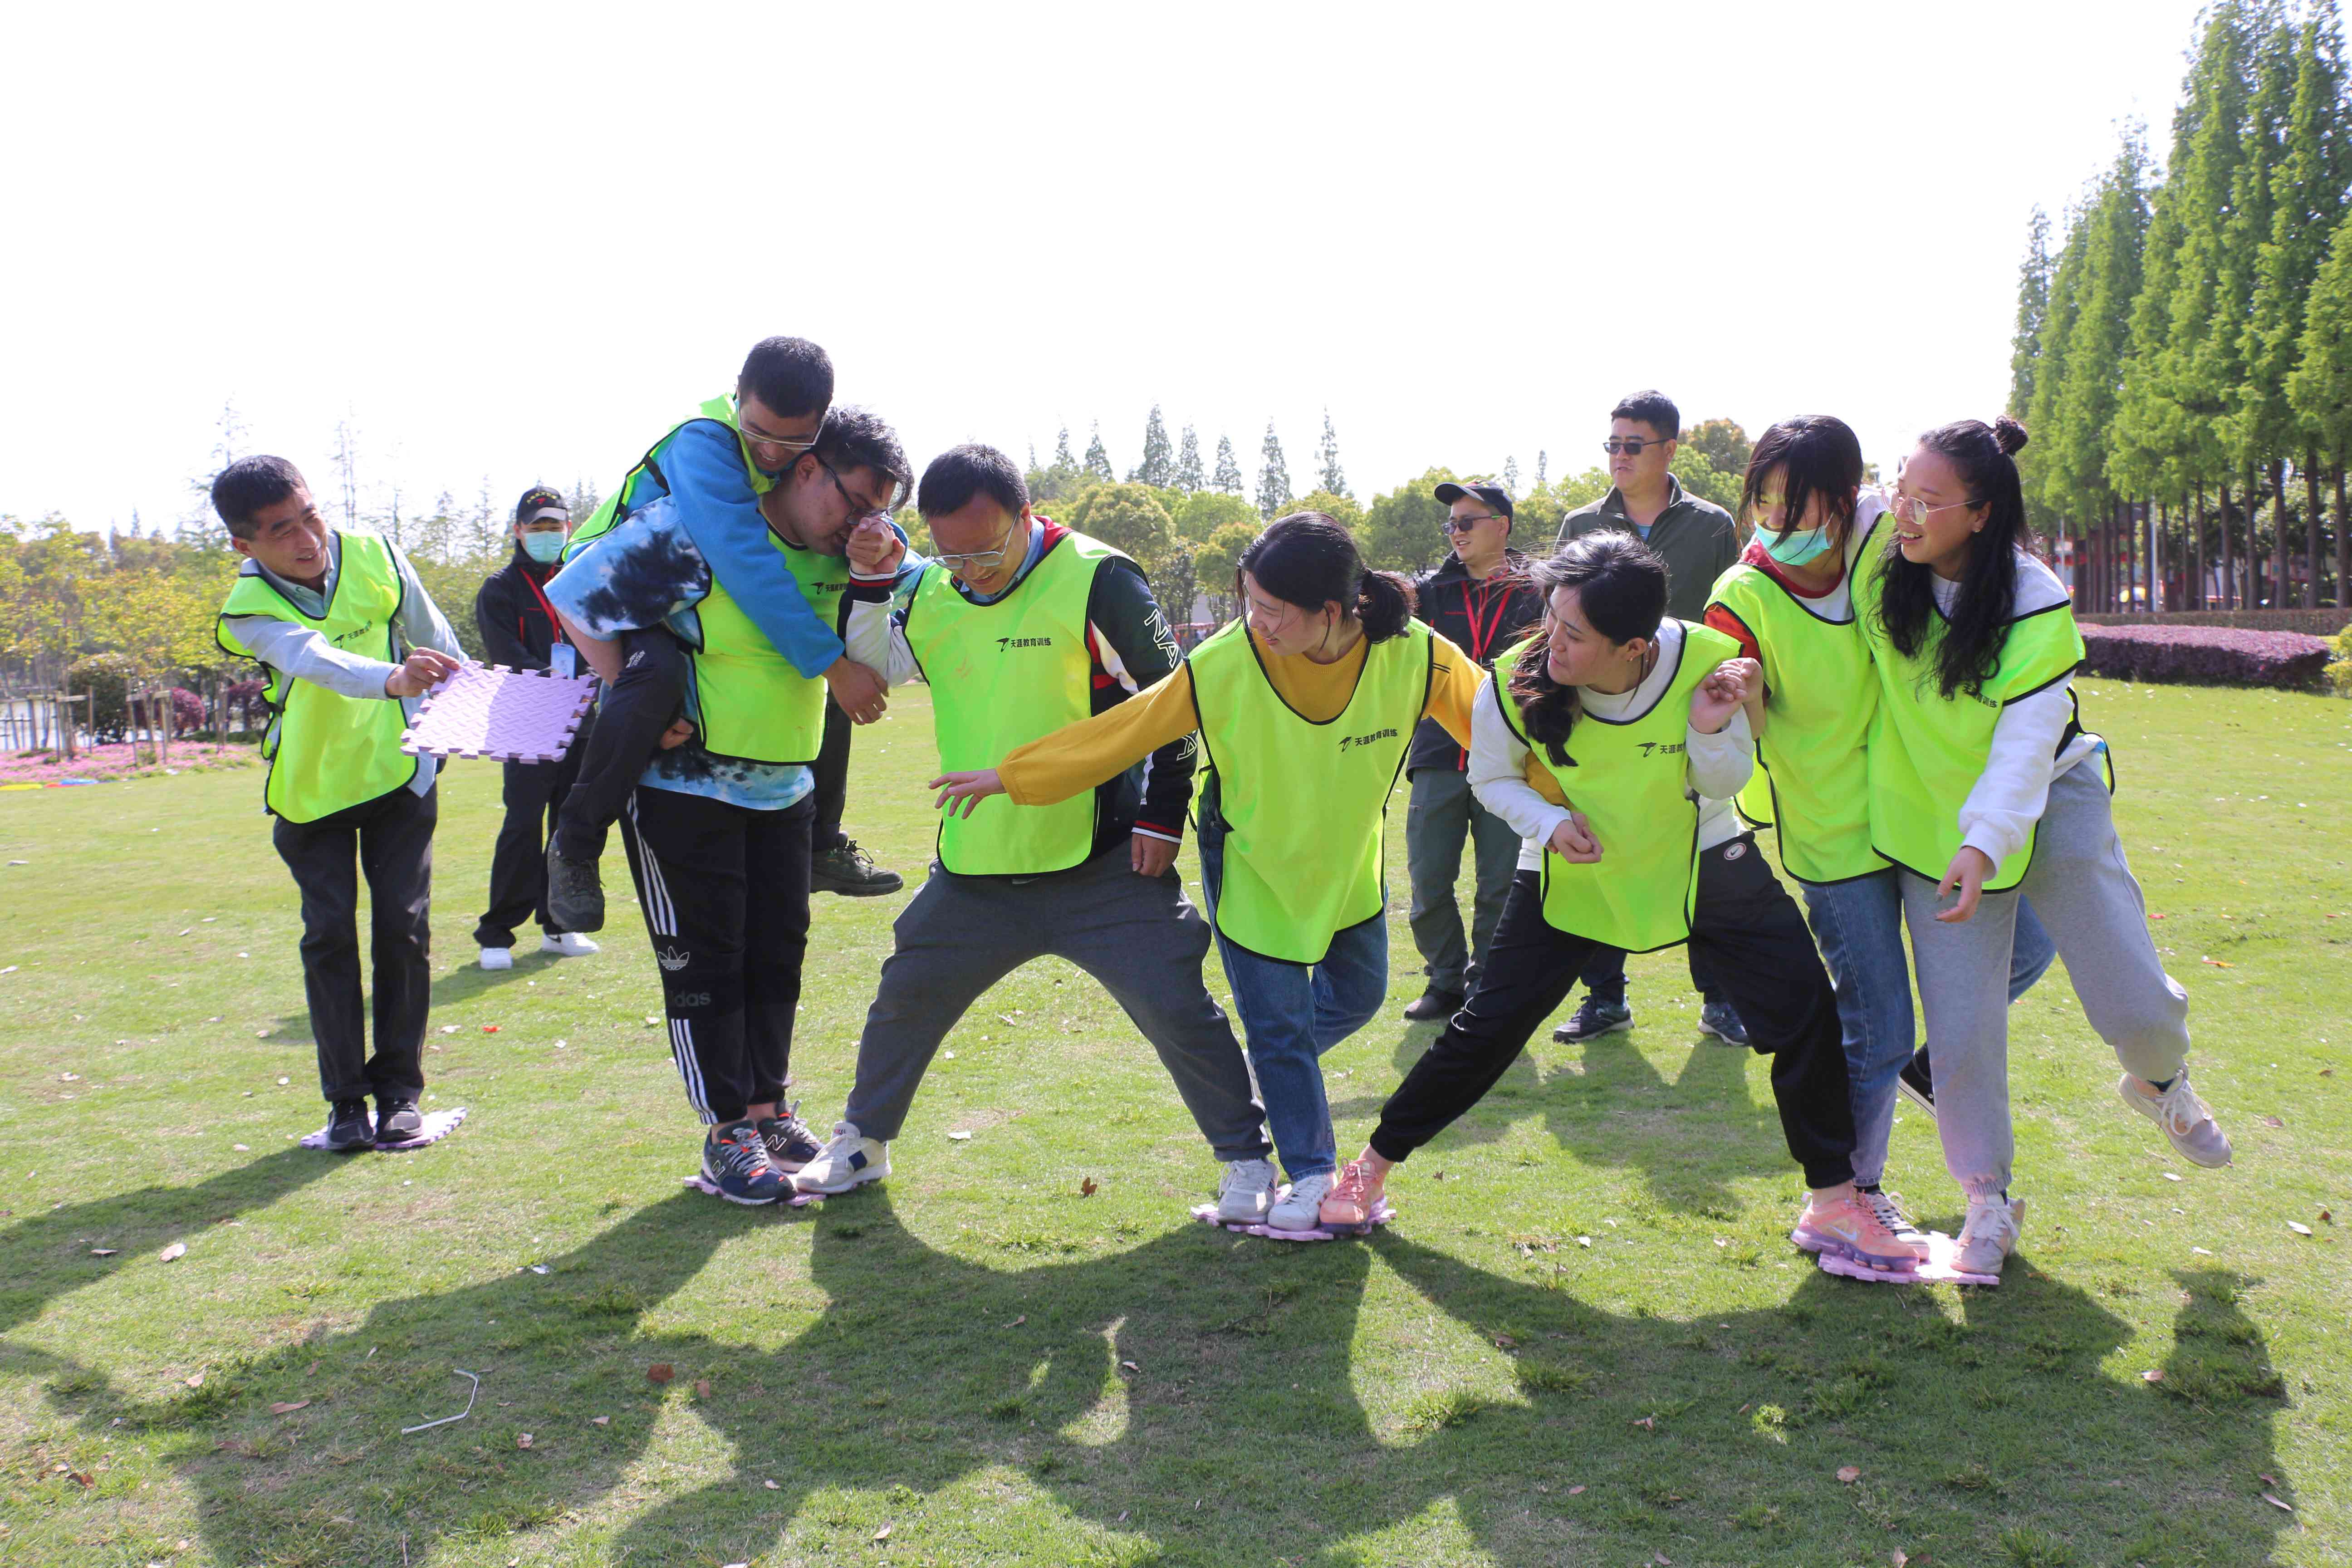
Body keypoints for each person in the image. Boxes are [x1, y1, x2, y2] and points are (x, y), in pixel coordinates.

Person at [1316, 533, 1915, 1277]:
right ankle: (1369, 1170)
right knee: (1485, 1029)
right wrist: (1549, 824)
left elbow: (1726, 782)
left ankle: (1832, 1201)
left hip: (1703, 859)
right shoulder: (1512, 678)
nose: (1551, 642)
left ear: (1633, 646)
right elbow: (1491, 779)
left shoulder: (1705, 659)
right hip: (1572, 866)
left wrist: (1706, 725)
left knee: (1804, 1014)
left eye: (1573, 633)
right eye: (1551, 618)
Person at [930, 514, 1486, 1230]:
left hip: (1346, 860)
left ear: (1332, 609)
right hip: (1251, 858)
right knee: (1281, 1028)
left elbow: (1496, 725)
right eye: (1250, 602)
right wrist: (1014, 776)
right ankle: (1310, 1177)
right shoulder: (1225, 660)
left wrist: (1569, 793)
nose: (1257, 622)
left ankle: (1266, 1066)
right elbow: (1127, 729)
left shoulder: (1417, 655)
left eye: (1272, 609)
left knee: (1358, 995)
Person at [789, 446, 1275, 1212]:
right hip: (975, 868)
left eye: (985, 551)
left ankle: (1248, 1160)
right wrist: (874, 576)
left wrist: (1161, 816)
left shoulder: (1098, 578)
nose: (971, 571)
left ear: (1026, 516)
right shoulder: (934, 588)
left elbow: (1178, 700)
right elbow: (875, 665)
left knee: (1178, 1007)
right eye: (951, 555)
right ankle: (863, 1142)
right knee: (905, 996)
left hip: (1106, 865)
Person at [1862, 416, 2234, 1277]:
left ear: (1980, 514)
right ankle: (1986, 1202)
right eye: (1899, 492)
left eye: (1927, 501)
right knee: (1958, 1033)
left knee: (2137, 1007)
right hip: (1927, 819)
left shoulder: (2032, 598)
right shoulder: (1884, 557)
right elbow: (1808, 515)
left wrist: (1986, 842)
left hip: (2049, 799)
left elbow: (2025, 746)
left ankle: (2160, 1083)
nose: (1904, 513)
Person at [544, 407, 915, 1205]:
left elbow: (907, 615)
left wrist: (883, 556)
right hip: (683, 787)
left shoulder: (851, 554)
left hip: (786, 790)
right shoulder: (702, 533)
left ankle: (768, 1112)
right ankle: (725, 1133)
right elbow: (575, 598)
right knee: (707, 963)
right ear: (806, 467)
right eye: (853, 503)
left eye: (878, 512)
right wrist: (629, 691)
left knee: (776, 957)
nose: (859, 524)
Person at [1703, 416, 2056, 1247]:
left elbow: (1965, 551)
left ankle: (1922, 1073)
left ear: (1845, 497)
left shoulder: (1882, 547)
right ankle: (1850, 1194)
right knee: (1876, 1019)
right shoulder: (1740, 596)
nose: (1778, 521)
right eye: (1765, 500)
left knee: (2029, 948)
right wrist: (1739, 695)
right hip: (1832, 836)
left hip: (1921, 813)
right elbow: (1741, 731)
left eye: (1798, 502)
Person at [542, 337, 900, 934]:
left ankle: (822, 842)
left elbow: (859, 506)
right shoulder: (705, 444)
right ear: (737, 396)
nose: (771, 452)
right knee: (656, 678)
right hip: (622, 589)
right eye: (758, 431)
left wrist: (885, 541)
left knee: (818, 687)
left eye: (793, 442)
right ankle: (575, 844)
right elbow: (744, 562)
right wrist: (833, 665)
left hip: (686, 588)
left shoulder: (807, 453)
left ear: (819, 428)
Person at [211, 456, 465, 1152]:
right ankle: (346, 1106)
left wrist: (465, 709)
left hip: (399, 774)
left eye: (311, 517)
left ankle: (402, 1097)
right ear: (243, 545)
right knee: (329, 938)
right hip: (312, 790)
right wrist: (393, 678)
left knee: (404, 931)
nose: (307, 540)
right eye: (282, 531)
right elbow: (312, 658)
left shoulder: (377, 554)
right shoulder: (248, 610)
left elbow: (438, 641)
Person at [1553, 390, 1747, 1046]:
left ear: (1670, 449)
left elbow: (1728, 617)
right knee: (1601, 847)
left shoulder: (1712, 525)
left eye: (1633, 445)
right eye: (1612, 444)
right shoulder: (1581, 524)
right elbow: (1554, 618)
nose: (1620, 456)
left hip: (1689, 713)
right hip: (1603, 713)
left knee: (1704, 850)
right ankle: (1606, 998)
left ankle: (1720, 999)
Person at [1399, 478, 1542, 1021]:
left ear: (1501, 526)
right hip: (1438, 753)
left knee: (1501, 884)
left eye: (1466, 522)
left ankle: (1486, 982)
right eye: (1451, 525)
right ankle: (1444, 980)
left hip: (1512, 757)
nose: (1455, 533)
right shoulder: (1427, 594)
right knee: (1428, 880)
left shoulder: (1540, 592)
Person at [470, 486, 600, 970]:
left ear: (569, 528)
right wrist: (560, 680)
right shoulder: (500, 588)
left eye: (555, 526)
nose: (547, 534)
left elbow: (602, 637)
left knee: (569, 826)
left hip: (580, 719)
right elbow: (506, 655)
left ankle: (559, 926)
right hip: (525, 719)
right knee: (523, 825)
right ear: (519, 531)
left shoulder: (579, 579)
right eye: (537, 526)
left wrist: (593, 677)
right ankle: (497, 933)